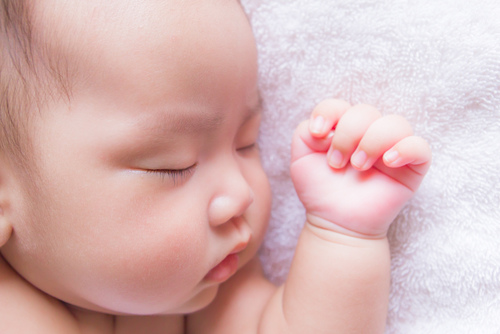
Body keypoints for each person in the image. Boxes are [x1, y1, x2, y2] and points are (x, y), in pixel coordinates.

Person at [0, 0, 431, 333]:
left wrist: (343, 232)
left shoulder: (210, 294)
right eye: (174, 166)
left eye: (246, 143)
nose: (241, 193)